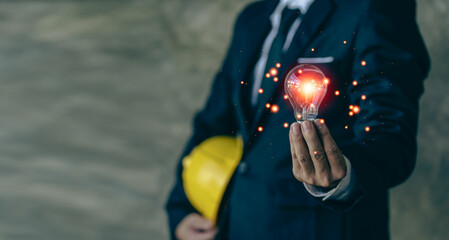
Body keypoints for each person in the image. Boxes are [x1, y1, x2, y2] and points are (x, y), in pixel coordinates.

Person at [165, 0, 430, 239]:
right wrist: (182, 209)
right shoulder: (253, 18)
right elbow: (211, 124)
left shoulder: (373, 7)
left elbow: (390, 130)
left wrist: (342, 177)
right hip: (237, 226)